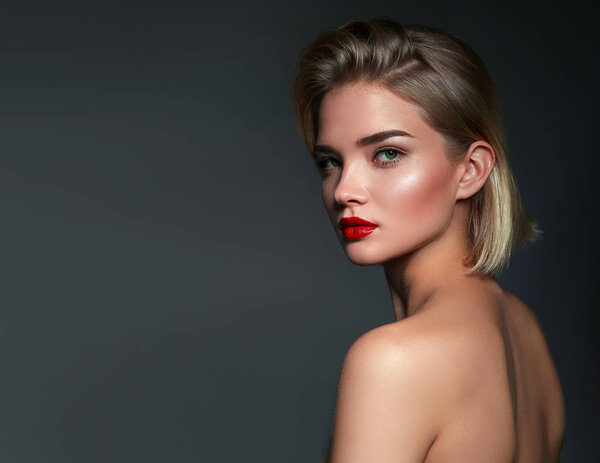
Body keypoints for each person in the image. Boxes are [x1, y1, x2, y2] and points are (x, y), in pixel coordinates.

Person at [291, 17, 566, 462]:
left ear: (471, 169)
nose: (344, 190)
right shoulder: (524, 331)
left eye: (387, 154)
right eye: (330, 162)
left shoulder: (391, 361)